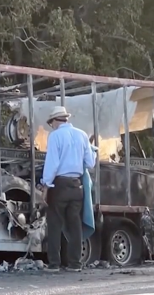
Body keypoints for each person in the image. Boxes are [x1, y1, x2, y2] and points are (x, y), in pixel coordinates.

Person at [41, 106, 96, 272]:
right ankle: (75, 263)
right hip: (77, 185)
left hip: (60, 185)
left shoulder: (55, 136)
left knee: (55, 223)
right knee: (74, 224)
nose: (52, 126)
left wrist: (45, 184)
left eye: (51, 123)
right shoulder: (82, 135)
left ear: (55, 121)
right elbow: (90, 163)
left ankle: (54, 264)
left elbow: (52, 164)